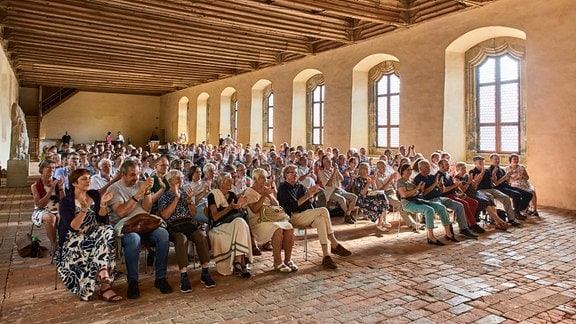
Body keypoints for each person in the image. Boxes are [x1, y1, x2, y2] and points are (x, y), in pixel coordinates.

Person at [106, 158, 173, 299]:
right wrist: (138, 194)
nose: (136, 178)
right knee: (134, 240)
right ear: (123, 175)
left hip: (144, 222)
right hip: (126, 225)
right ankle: (133, 281)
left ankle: (160, 278)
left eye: (137, 174)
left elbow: (147, 209)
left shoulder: (140, 184)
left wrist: (147, 192)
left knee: (163, 235)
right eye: (132, 175)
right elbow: (121, 212)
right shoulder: (114, 189)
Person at [57, 169, 120, 302]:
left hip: (94, 232)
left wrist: (103, 204)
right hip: (75, 238)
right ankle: (105, 284)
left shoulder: (94, 195)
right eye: (84, 179)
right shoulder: (66, 202)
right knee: (102, 243)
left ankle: (103, 275)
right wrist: (84, 209)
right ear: (74, 183)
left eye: (89, 178)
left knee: (107, 229)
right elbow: (73, 227)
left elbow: (101, 219)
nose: (88, 181)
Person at [277, 165, 351, 270]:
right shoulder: (283, 188)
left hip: (304, 215)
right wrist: (307, 195)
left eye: (296, 172)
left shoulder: (300, 187)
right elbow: (291, 207)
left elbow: (308, 206)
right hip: (292, 217)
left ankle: (326, 256)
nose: (295, 174)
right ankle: (334, 243)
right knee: (324, 210)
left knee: (321, 219)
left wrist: (311, 198)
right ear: (286, 175)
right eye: (292, 172)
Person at [158, 170, 216, 292]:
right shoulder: (164, 196)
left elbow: (193, 213)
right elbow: (166, 215)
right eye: (177, 179)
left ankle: (205, 271)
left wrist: (190, 201)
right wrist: (176, 198)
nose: (180, 181)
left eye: (181, 178)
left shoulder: (186, 194)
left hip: (187, 223)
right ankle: (184, 275)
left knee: (201, 236)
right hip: (173, 225)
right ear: (169, 181)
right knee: (181, 239)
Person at [244, 168, 296, 273]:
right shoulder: (249, 191)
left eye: (265, 177)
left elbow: (276, 205)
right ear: (255, 179)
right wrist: (263, 196)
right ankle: (277, 262)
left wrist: (269, 195)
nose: (264, 180)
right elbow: (254, 210)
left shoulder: (266, 189)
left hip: (271, 218)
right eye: (262, 178)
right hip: (258, 221)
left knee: (289, 228)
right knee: (277, 230)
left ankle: (288, 260)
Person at [413, 159, 478, 239]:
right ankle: (449, 231)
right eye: (426, 167)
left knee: (460, 205)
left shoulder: (432, 177)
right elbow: (424, 193)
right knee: (443, 208)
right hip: (429, 200)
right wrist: (435, 184)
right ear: (420, 168)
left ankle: (464, 229)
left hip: (440, 197)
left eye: (429, 167)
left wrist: (441, 187)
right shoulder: (418, 178)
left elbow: (442, 190)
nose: (429, 169)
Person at [396, 164, 458, 246]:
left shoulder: (411, 180)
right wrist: (418, 188)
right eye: (407, 170)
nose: (410, 171)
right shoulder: (400, 181)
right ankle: (431, 237)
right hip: (408, 203)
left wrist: (420, 190)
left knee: (441, 207)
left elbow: (418, 193)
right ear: (402, 171)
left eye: (410, 169)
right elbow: (404, 195)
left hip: (417, 200)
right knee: (429, 210)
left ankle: (448, 234)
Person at [207, 172, 253, 277]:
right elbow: (215, 217)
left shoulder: (232, 195)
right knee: (240, 223)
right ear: (220, 182)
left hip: (234, 225)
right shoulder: (213, 195)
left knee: (240, 222)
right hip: (220, 226)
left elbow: (237, 214)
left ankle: (238, 261)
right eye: (228, 179)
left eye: (230, 179)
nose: (230, 181)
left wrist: (240, 206)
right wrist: (230, 208)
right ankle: (241, 263)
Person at [453, 162, 510, 230]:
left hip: (474, 192)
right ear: (458, 169)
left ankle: (497, 221)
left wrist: (476, 182)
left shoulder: (466, 176)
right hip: (468, 195)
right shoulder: (456, 178)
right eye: (462, 168)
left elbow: (474, 187)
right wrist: (469, 182)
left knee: (489, 200)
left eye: (465, 168)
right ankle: (498, 221)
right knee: (485, 202)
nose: (465, 170)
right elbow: (463, 190)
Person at [469, 156, 521, 227]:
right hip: (480, 190)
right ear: (475, 163)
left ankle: (511, 219)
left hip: (491, 189)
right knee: (490, 197)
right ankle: (493, 219)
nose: (482, 163)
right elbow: (476, 183)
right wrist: (482, 173)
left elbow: (494, 182)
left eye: (483, 161)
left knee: (505, 198)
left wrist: (493, 174)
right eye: (480, 162)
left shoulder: (487, 171)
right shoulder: (472, 171)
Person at [437, 159, 485, 234]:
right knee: (464, 204)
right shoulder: (438, 176)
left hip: (455, 194)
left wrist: (459, 192)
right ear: (440, 166)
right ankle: (472, 225)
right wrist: (455, 185)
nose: (448, 166)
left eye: (448, 164)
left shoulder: (447, 175)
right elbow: (442, 191)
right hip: (446, 196)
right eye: (446, 165)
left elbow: (454, 187)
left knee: (474, 202)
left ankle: (468, 222)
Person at [31, 159, 65, 252]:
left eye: (53, 168)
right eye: (48, 167)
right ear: (42, 169)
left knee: (61, 217)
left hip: (57, 209)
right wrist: (50, 190)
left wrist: (61, 188)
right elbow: (39, 205)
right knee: (50, 218)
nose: (51, 170)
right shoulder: (35, 185)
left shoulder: (57, 182)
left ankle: (64, 243)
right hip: (42, 210)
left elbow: (63, 201)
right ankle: (54, 245)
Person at [489, 153, 533, 220]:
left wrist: (509, 177)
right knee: (516, 194)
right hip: (498, 188)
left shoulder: (500, 169)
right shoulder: (489, 170)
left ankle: (517, 210)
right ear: (491, 160)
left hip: (506, 186)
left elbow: (508, 181)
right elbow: (495, 184)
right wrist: (506, 176)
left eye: (498, 159)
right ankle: (517, 213)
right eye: (495, 159)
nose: (497, 160)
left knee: (528, 194)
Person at [318, 156, 358, 224]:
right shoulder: (322, 173)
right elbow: (329, 184)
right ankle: (348, 216)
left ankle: (347, 214)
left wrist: (337, 170)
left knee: (354, 197)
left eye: (330, 160)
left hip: (339, 190)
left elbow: (342, 179)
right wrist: (334, 172)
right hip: (330, 192)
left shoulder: (334, 169)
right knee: (342, 199)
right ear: (324, 163)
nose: (330, 162)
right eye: (327, 161)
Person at [352, 162, 390, 232]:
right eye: (364, 170)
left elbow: (375, 190)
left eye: (367, 169)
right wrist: (368, 184)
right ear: (361, 170)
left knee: (382, 197)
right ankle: (381, 222)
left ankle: (382, 222)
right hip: (363, 199)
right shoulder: (357, 180)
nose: (366, 171)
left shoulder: (368, 178)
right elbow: (362, 193)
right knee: (380, 201)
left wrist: (373, 182)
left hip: (371, 197)